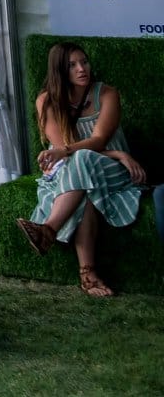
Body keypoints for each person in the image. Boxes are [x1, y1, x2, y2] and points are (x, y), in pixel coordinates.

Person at [15, 41, 147, 298]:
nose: (81, 69)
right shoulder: (47, 101)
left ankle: (49, 229)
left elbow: (95, 142)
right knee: (84, 189)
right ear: (59, 71)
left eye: (84, 62)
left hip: (113, 172)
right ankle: (88, 275)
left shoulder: (107, 94)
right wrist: (117, 152)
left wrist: (116, 155)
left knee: (83, 162)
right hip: (71, 172)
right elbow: (67, 151)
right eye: (72, 65)